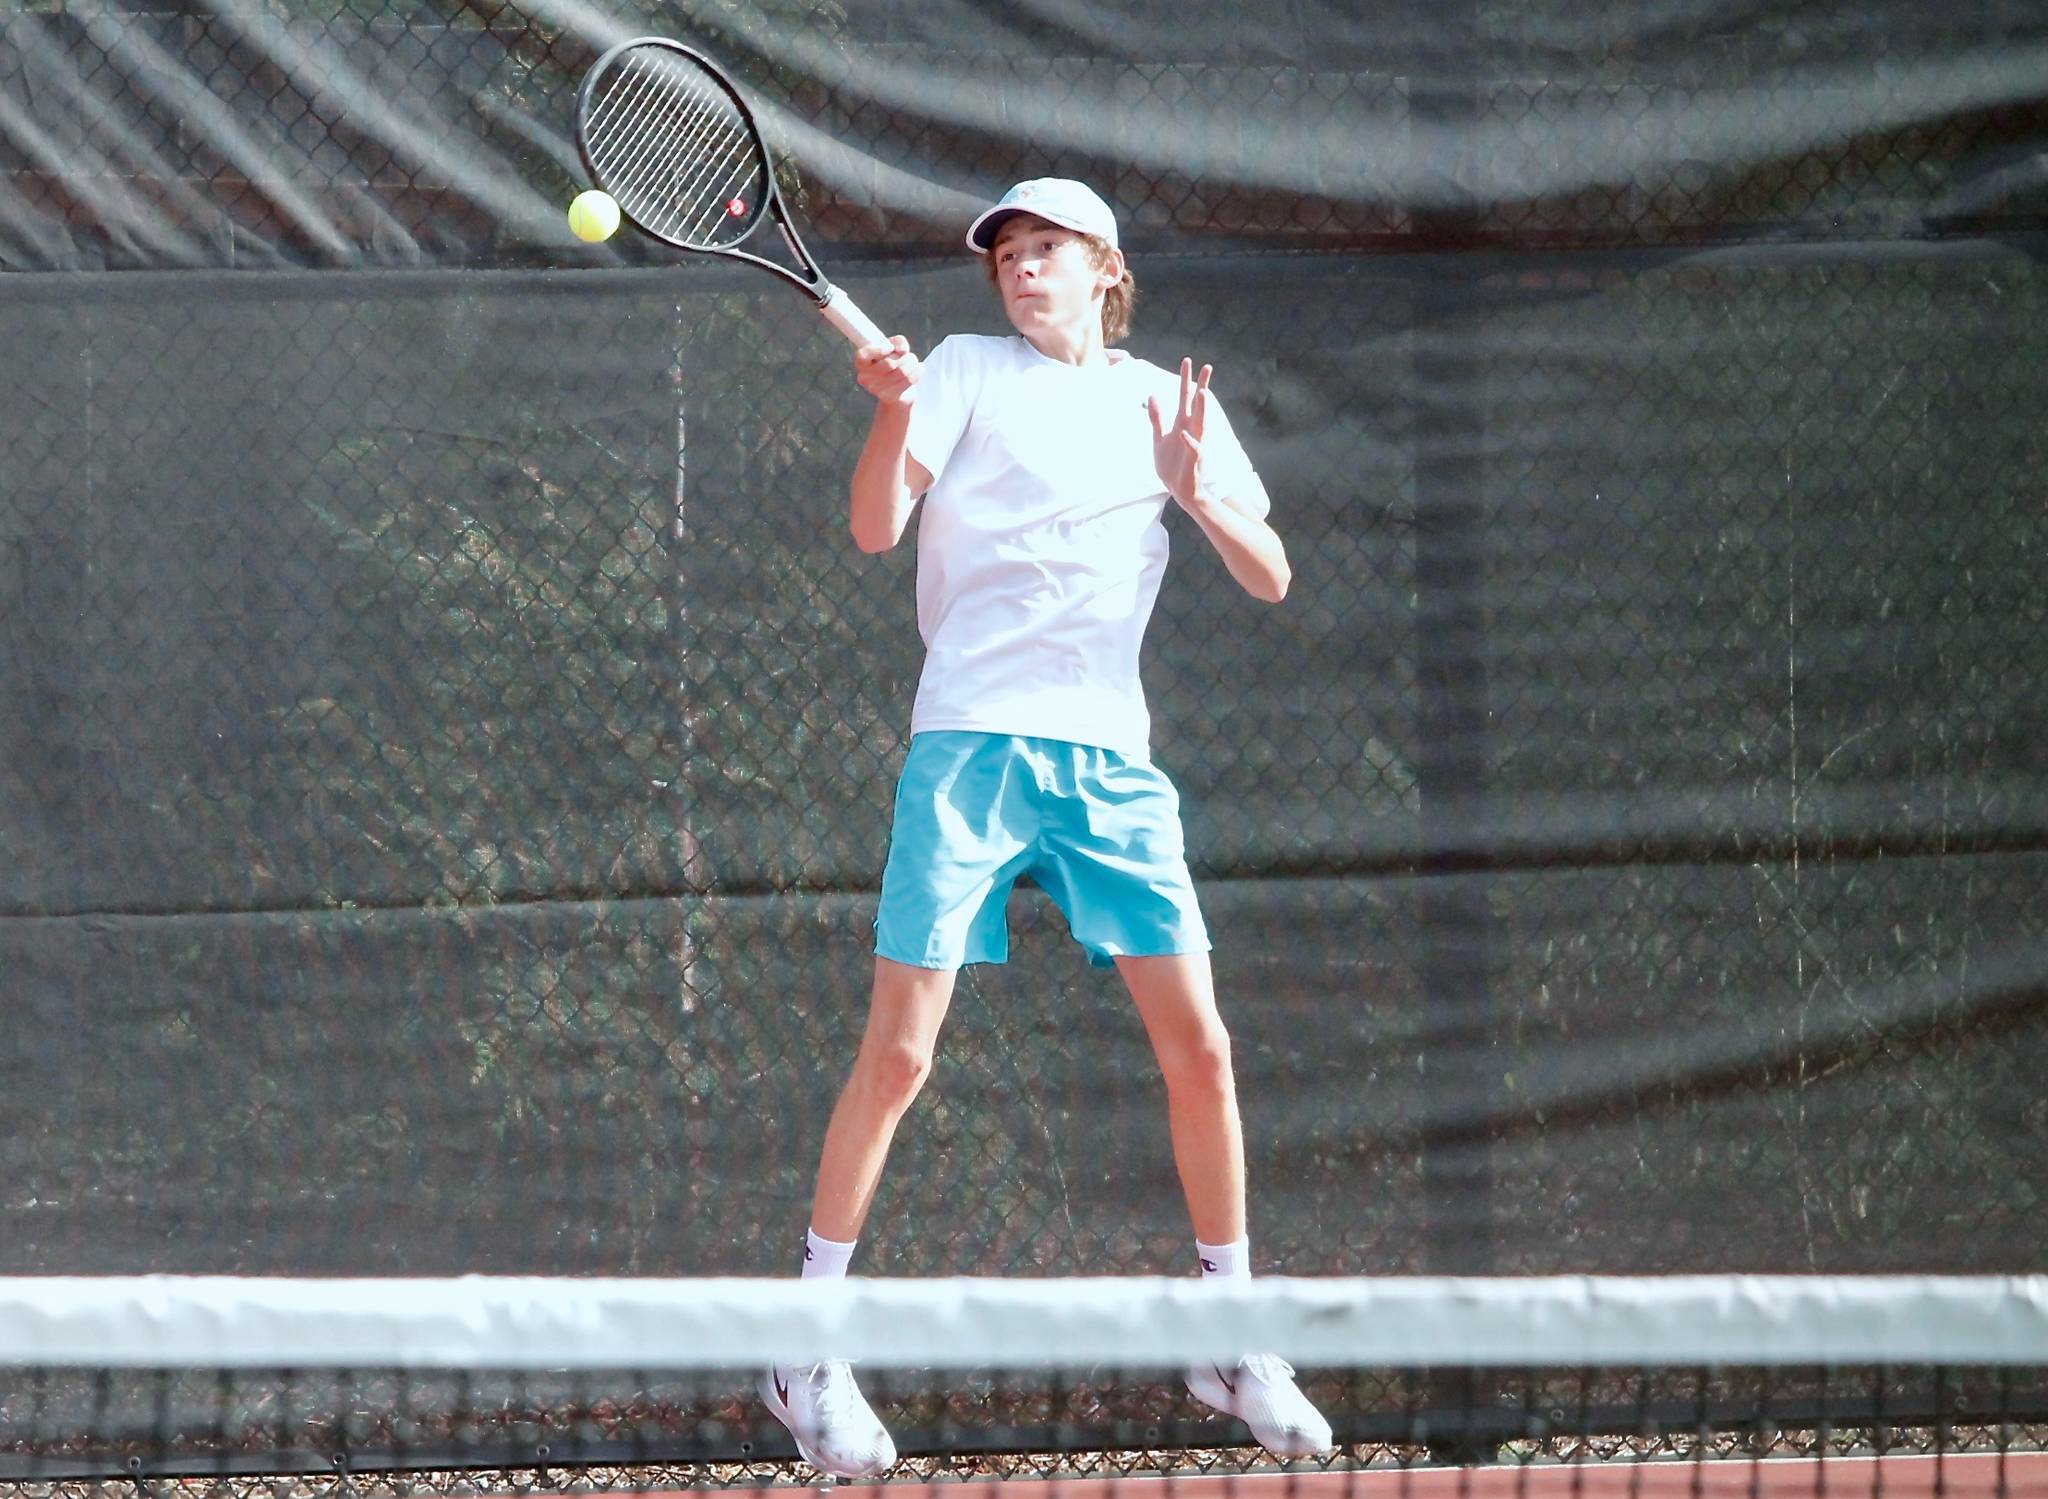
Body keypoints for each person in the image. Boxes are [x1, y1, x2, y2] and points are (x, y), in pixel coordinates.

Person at [759, 179, 1331, 1477]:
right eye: (1009, 252)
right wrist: (897, 414)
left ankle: (1233, 1334)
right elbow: (870, 527)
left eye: (1049, 250)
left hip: (1109, 767)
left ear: (1106, 269)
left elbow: (1269, 570)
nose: (1024, 268)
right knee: (899, 1059)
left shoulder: (1159, 402)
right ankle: (803, 1350)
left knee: (1205, 1049)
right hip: (969, 748)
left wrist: (1198, 490)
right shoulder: (960, 372)